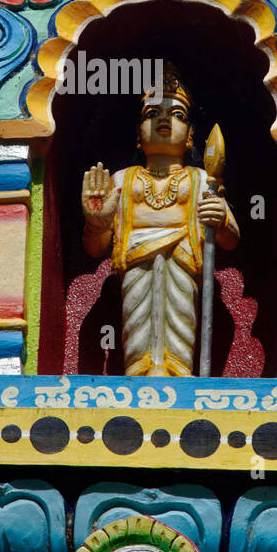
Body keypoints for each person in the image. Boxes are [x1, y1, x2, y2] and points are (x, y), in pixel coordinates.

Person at [81, 66, 238, 375]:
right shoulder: (123, 180)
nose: (164, 119)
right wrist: (97, 224)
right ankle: (140, 375)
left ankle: (176, 375)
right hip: (136, 267)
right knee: (138, 327)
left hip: (183, 267)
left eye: (177, 114)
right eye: (152, 113)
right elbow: (95, 248)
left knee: (179, 327)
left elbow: (232, 238)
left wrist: (220, 219)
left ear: (191, 136)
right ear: (138, 136)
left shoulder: (201, 179)